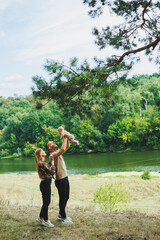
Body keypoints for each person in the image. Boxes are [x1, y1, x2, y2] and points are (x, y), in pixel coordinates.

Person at [45, 137, 73, 225]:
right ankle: (64, 217)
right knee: (63, 198)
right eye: (51, 143)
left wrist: (67, 138)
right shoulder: (52, 154)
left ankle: (61, 214)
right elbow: (63, 148)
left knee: (66, 197)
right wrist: (65, 136)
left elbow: (66, 147)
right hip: (60, 180)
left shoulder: (57, 152)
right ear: (50, 148)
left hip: (64, 177)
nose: (53, 142)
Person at [35, 148, 55, 228]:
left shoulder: (43, 162)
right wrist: (53, 162)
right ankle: (46, 220)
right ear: (40, 154)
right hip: (45, 184)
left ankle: (40, 218)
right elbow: (51, 171)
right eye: (42, 151)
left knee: (45, 202)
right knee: (47, 202)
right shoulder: (41, 163)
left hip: (45, 184)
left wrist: (50, 161)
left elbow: (48, 168)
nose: (44, 151)